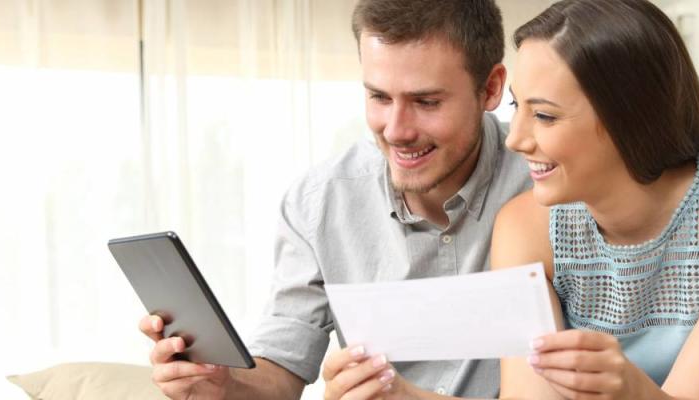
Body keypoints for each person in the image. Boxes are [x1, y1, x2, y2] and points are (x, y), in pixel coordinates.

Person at [137, 0, 530, 398]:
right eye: (378, 97)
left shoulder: (547, 181)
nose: (396, 131)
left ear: (492, 88)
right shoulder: (318, 203)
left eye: (426, 102)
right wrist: (223, 385)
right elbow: (280, 370)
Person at [492, 0, 699, 399]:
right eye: (516, 106)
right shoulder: (524, 225)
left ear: (628, 114)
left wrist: (631, 389)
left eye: (545, 116)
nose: (514, 139)